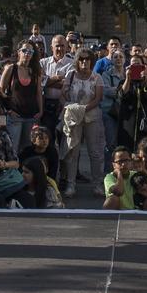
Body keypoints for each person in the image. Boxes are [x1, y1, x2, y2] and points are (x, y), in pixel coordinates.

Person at [61, 48, 106, 195]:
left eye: (87, 59)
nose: (84, 62)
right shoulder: (70, 75)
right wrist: (70, 108)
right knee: (73, 151)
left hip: (92, 116)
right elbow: (63, 94)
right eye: (81, 59)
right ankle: (70, 185)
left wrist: (84, 108)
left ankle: (98, 184)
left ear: (92, 61)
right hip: (74, 117)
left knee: (95, 152)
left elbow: (98, 98)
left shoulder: (97, 77)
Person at [1, 42, 43, 149]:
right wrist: (8, 110)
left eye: (30, 51)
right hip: (15, 116)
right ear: (19, 52)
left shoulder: (36, 71)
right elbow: (0, 91)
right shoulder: (11, 68)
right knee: (13, 148)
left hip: (31, 116)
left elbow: (38, 92)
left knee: (27, 149)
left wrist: (40, 111)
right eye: (24, 50)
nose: (27, 54)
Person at [19, 123, 63, 209]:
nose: (45, 141)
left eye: (46, 138)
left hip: (46, 178)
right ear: (33, 140)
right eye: (41, 138)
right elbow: (20, 167)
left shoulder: (52, 152)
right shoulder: (26, 151)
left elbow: (53, 171)